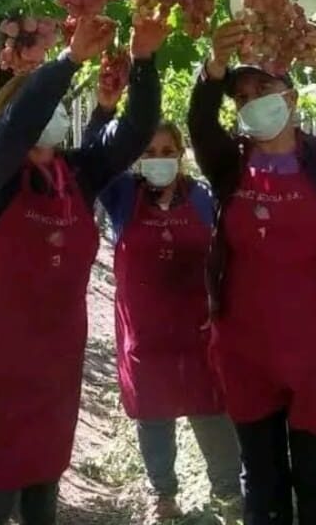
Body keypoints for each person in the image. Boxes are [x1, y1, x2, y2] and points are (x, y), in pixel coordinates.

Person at [0, 15, 166, 525]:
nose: (52, 112)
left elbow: (135, 133)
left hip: (54, 364)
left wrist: (144, 63)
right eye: (41, 103)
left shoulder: (77, 174)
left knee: (44, 494)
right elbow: (23, 118)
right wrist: (69, 60)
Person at [187, 18, 316, 525]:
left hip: (315, 350)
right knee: (263, 477)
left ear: (292, 98)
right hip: (245, 348)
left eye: (265, 88)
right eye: (243, 95)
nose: (253, 99)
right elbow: (200, 125)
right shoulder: (228, 163)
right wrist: (213, 68)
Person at [83, 100, 241, 522]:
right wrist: (103, 111)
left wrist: (222, 300)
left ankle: (229, 493)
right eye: (149, 153)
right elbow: (92, 156)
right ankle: (163, 496)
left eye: (167, 151)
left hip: (198, 328)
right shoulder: (122, 196)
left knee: (211, 410)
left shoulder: (204, 198)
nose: (158, 160)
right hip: (146, 329)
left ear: (181, 155)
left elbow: (228, 254)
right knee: (153, 413)